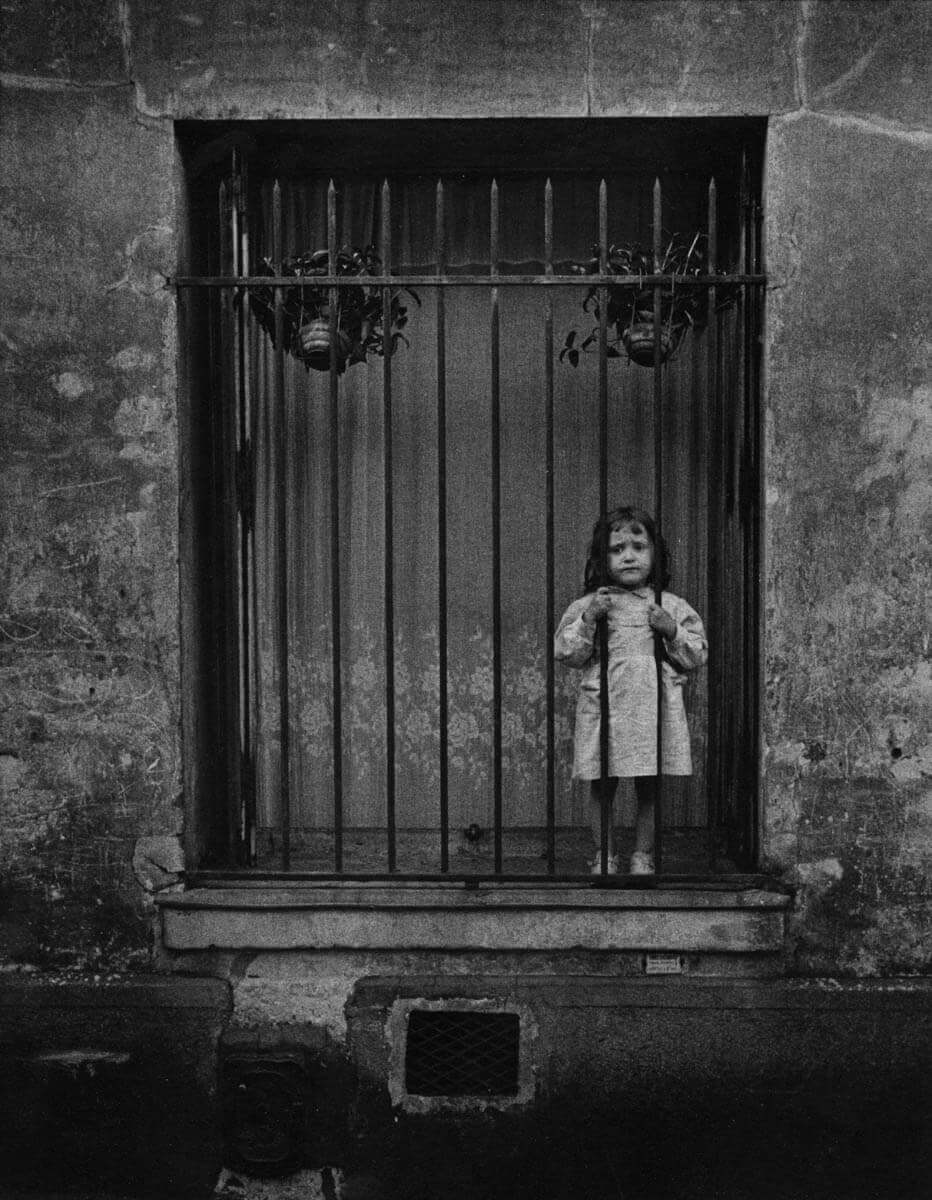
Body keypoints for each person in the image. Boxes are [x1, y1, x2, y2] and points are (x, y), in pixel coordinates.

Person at [554, 506, 707, 875]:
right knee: (601, 781)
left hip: (650, 704)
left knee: (648, 781)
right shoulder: (589, 605)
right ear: (601, 558)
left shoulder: (670, 605)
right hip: (604, 703)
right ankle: (604, 854)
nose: (628, 556)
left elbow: (697, 653)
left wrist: (670, 629)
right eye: (617, 548)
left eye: (638, 546)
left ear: (654, 554)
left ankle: (642, 855)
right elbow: (566, 652)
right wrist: (590, 618)